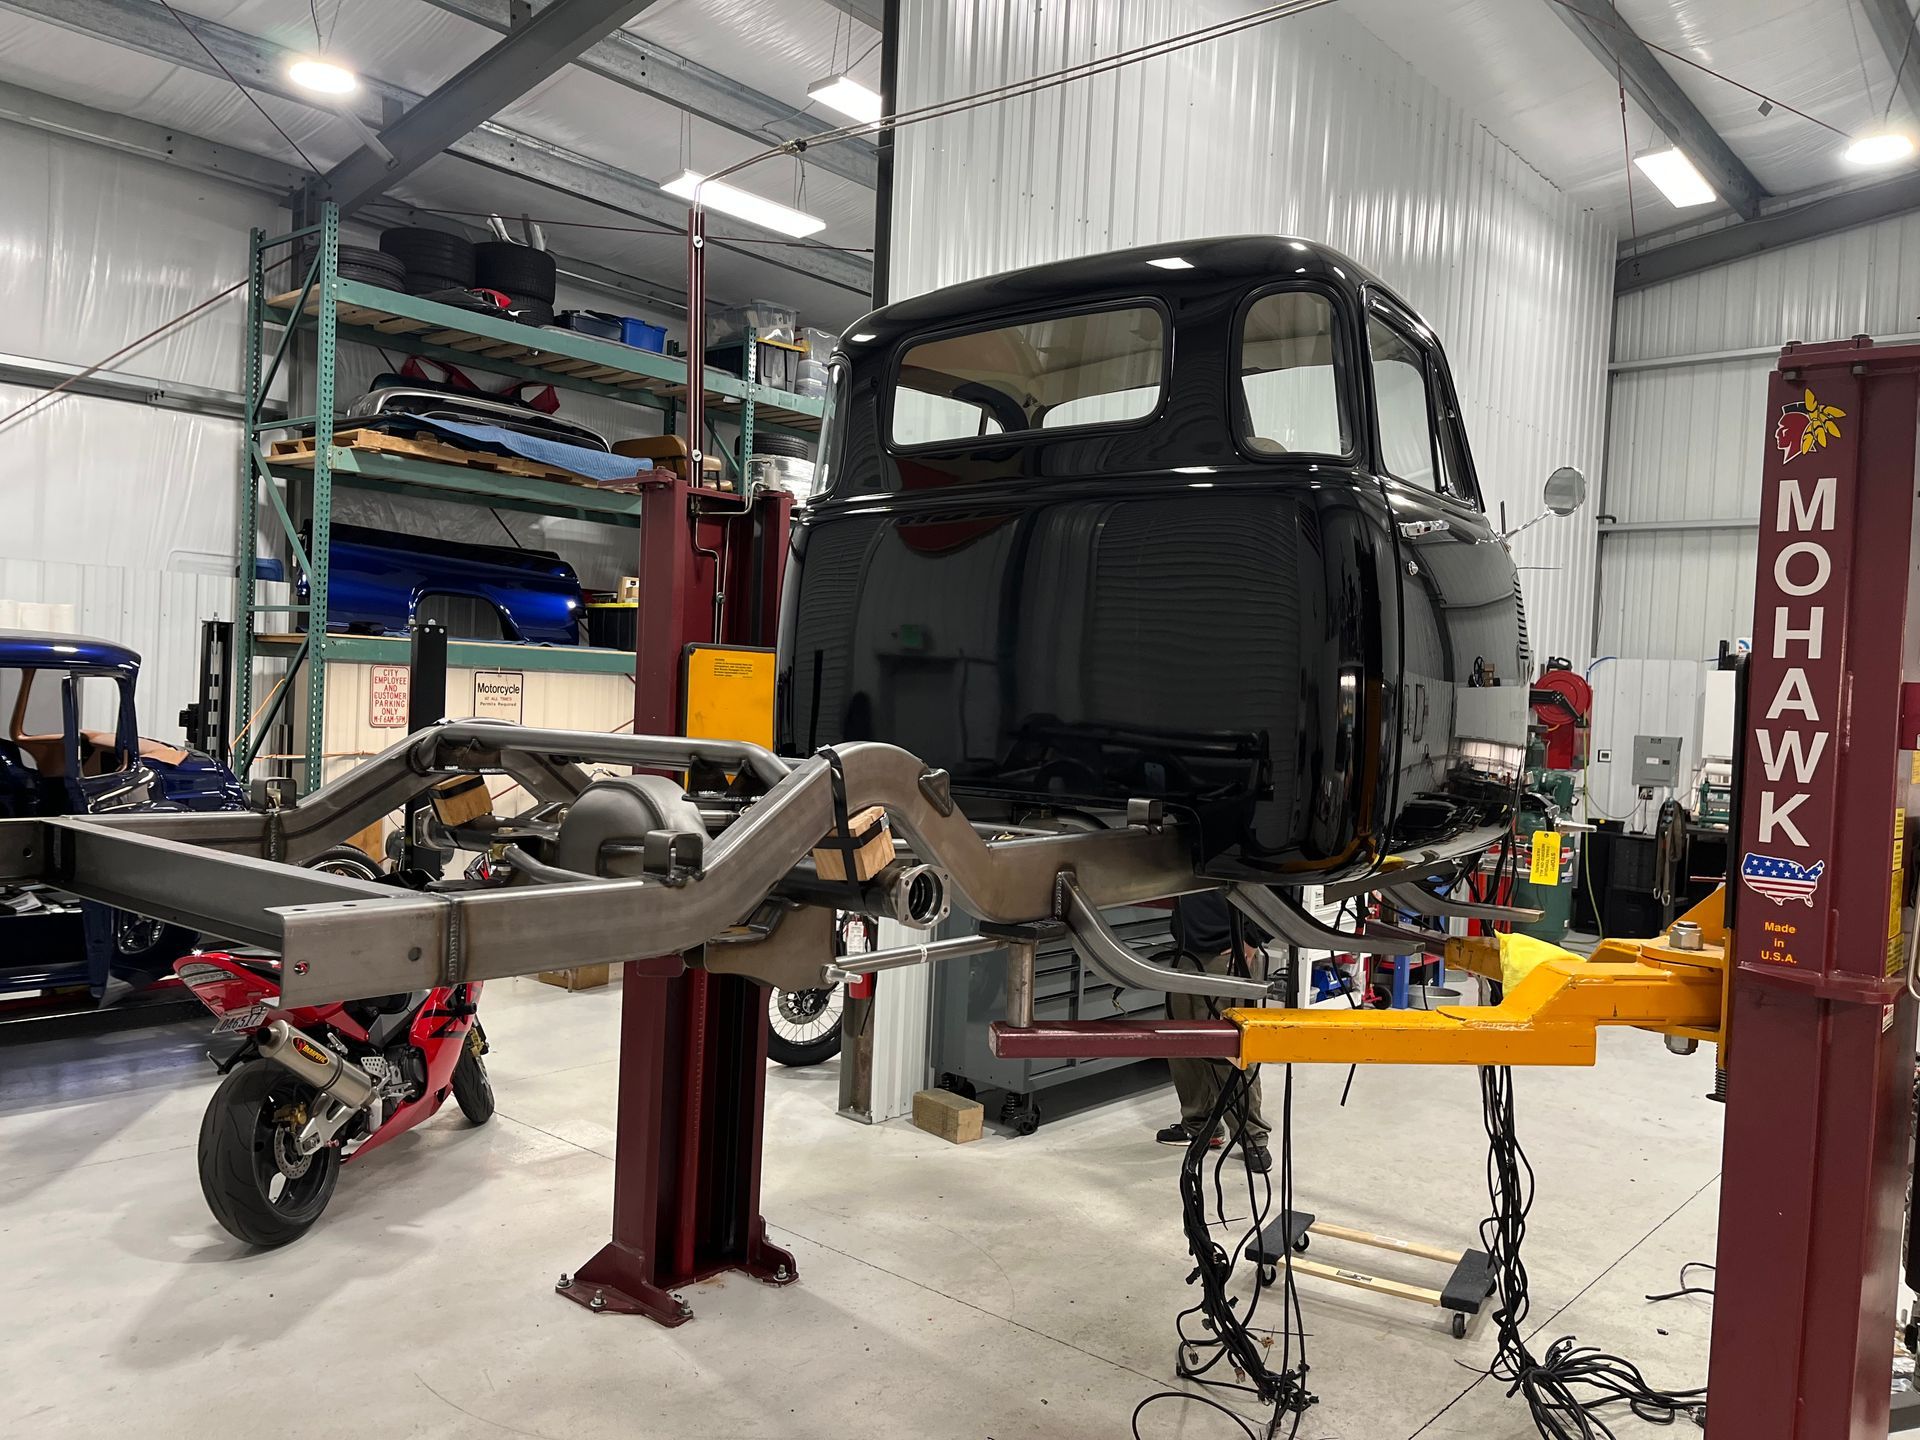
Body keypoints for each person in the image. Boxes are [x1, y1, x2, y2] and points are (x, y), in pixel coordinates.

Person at [1156, 890, 1271, 1172]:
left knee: (1230, 1049)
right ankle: (1200, 1125)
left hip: (1230, 951)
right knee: (1180, 1044)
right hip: (1186, 949)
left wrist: (1254, 937)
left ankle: (1252, 1136)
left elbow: (1282, 880)